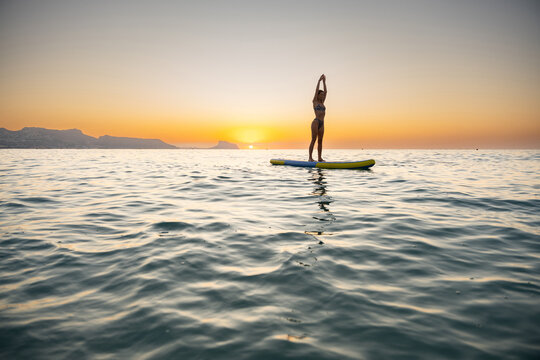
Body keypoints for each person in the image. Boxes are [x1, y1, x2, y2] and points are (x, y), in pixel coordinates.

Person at [309, 74, 327, 162]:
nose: (323, 95)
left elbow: (326, 92)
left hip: (322, 123)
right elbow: (316, 91)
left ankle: (319, 158)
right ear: (318, 95)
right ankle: (310, 158)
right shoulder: (315, 101)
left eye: (323, 95)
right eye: (321, 94)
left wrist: (324, 82)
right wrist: (319, 81)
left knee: (320, 141)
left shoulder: (323, 102)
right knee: (313, 139)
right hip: (316, 122)